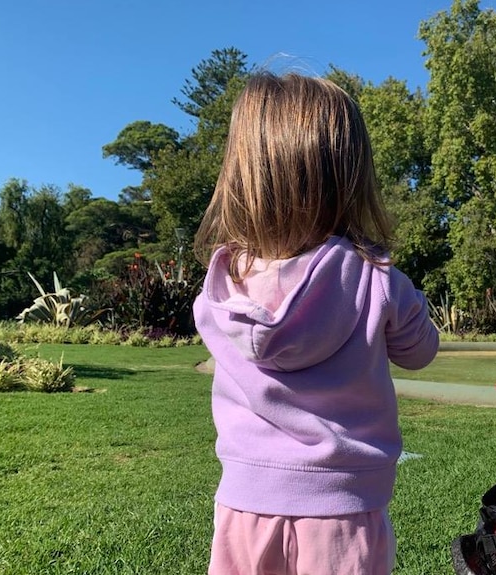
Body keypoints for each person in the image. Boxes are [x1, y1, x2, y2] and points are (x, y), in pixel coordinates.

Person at [192, 72, 440, 575]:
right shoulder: (376, 278)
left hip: (244, 505)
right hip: (345, 510)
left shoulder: (223, 286)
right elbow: (420, 351)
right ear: (349, 177)